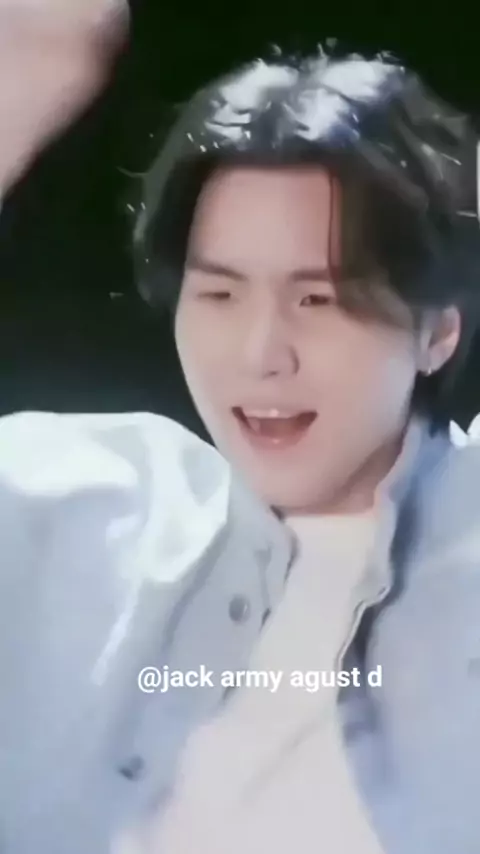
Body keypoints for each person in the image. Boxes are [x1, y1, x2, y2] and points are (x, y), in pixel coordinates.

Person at [1, 3, 480, 852]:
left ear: (438, 330)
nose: (262, 354)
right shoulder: (79, 507)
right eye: (219, 295)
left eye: (318, 299)